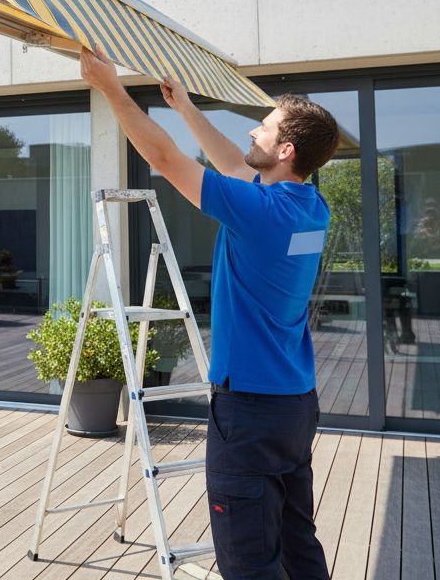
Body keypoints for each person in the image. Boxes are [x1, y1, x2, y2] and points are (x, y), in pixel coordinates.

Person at [80, 45, 340, 580]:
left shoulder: (262, 210)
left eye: (263, 129)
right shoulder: (309, 207)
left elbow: (165, 162)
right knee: (296, 540)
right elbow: (233, 167)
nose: (252, 133)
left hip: (247, 412)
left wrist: (110, 89)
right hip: (293, 406)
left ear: (285, 148)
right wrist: (187, 110)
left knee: (248, 560)